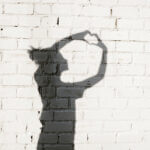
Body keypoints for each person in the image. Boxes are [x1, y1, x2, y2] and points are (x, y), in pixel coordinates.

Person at [28, 30, 107, 150]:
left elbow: (98, 76)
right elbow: (99, 76)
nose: (66, 60)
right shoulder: (62, 88)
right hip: (62, 139)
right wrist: (104, 51)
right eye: (62, 58)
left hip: (56, 138)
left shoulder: (47, 83)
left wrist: (75, 37)